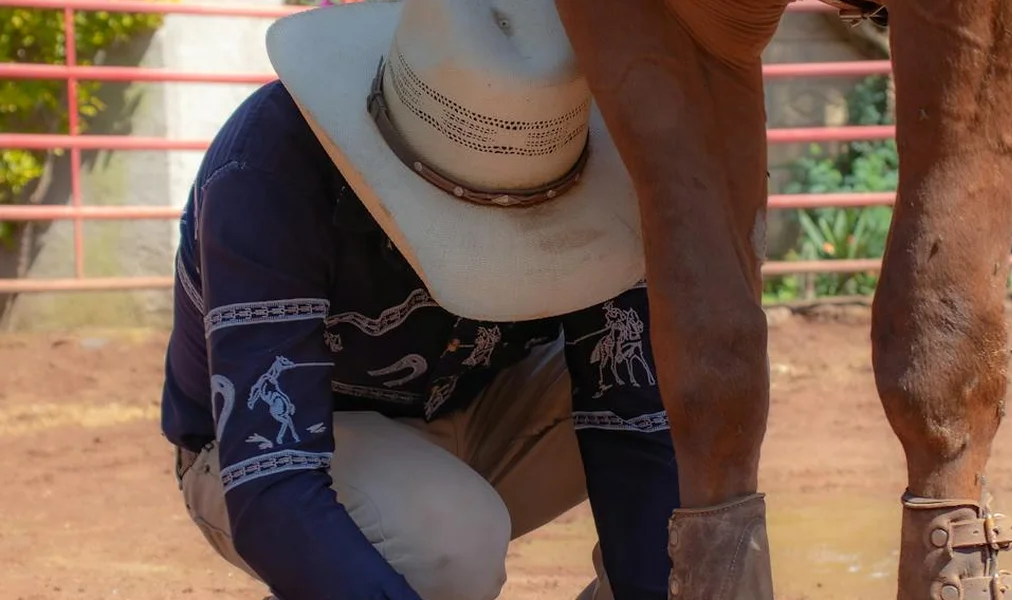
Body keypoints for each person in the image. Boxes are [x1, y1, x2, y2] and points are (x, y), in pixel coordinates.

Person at [159, 1, 680, 599]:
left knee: (693, 418)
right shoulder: (270, 170)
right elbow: (272, 477)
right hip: (280, 450)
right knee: (449, 544)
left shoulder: (561, 151)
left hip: (475, 410)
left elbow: (639, 431)